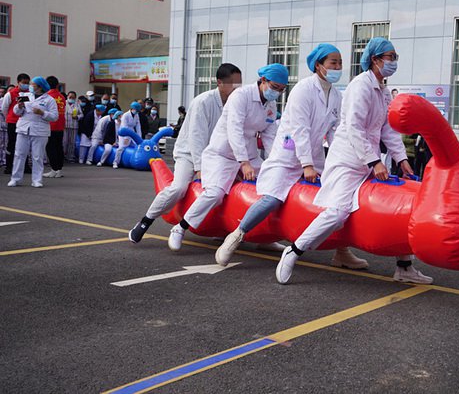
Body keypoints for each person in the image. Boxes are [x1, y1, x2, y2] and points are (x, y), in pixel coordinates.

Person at [275, 37, 432, 285]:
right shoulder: (359, 86)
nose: (394, 62)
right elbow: (355, 128)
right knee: (337, 214)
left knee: (401, 206)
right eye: (390, 57)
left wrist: (401, 158)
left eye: (395, 57)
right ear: (375, 59)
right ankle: (293, 251)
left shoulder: (382, 89)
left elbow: (388, 130)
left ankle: (404, 267)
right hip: (348, 161)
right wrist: (374, 162)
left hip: (369, 160)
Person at [216, 45, 368, 270]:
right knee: (272, 199)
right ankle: (237, 235)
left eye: (339, 63)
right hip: (288, 155)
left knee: (337, 199)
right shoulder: (303, 90)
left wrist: (339, 158)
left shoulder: (336, 96)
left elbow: (335, 130)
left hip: (315, 155)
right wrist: (306, 165)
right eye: (332, 63)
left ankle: (342, 252)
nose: (337, 67)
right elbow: (300, 129)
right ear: (318, 65)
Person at [166, 63, 287, 251]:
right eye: (275, 87)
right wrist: (244, 163)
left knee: (272, 184)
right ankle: (180, 228)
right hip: (222, 154)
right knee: (215, 193)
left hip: (249, 154)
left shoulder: (270, 105)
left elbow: (270, 136)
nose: (277, 92)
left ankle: (264, 237)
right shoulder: (241, 96)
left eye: (281, 89)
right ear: (263, 81)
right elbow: (235, 130)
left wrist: (276, 163)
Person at [129, 64, 243, 243]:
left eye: (240, 84)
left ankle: (221, 230)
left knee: (232, 188)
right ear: (219, 82)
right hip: (189, 153)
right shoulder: (203, 101)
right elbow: (196, 137)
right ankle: (145, 221)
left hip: (217, 155)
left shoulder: (236, 102)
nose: (237, 88)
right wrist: (199, 167)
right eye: (233, 84)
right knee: (179, 187)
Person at [7, 77, 58, 188]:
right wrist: (19, 107)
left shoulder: (49, 100)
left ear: (40, 86)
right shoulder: (25, 96)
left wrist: (42, 112)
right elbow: (17, 112)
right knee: (19, 154)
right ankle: (15, 179)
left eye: (33, 84)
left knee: (37, 156)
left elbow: (54, 117)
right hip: (23, 128)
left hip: (40, 130)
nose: (30, 86)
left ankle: (37, 180)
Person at [2, 73, 31, 174]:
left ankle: (26, 166)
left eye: (28, 83)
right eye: (24, 83)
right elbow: (4, 108)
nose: (26, 85)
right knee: (11, 144)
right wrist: (9, 117)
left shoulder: (30, 94)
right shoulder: (10, 93)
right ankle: (9, 166)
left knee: (25, 144)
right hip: (13, 122)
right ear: (18, 82)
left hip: (26, 122)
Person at [43, 76, 67, 178]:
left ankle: (54, 169)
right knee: (58, 147)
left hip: (50, 125)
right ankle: (59, 169)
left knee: (50, 148)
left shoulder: (47, 96)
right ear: (57, 85)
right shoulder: (61, 96)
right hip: (60, 125)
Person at [114, 102, 142, 168]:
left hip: (132, 132)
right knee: (121, 147)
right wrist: (126, 137)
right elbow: (124, 126)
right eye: (136, 110)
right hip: (123, 133)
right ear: (132, 108)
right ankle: (115, 162)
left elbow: (138, 126)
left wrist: (139, 137)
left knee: (136, 145)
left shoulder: (136, 115)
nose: (137, 112)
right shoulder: (125, 115)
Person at [63, 91, 82, 162]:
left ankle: (70, 157)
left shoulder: (77, 104)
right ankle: (62, 156)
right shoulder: (64, 103)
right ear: (67, 97)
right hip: (65, 126)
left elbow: (81, 114)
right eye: (70, 97)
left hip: (74, 126)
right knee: (64, 142)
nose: (71, 98)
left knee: (72, 142)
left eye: (73, 97)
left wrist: (77, 117)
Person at [0, 86, 7, 168]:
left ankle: (5, 160)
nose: (1, 93)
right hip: (1, 125)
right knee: (1, 144)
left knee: (6, 144)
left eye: (2, 92)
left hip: (7, 125)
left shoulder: (5, 101)